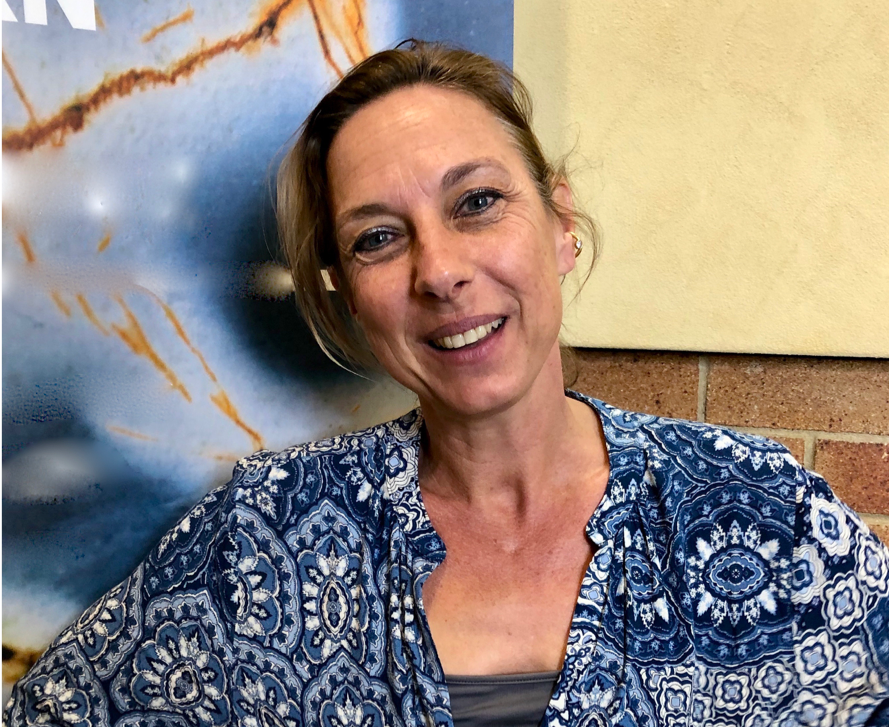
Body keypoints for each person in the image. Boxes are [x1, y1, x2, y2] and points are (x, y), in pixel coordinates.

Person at [4, 41, 888, 727]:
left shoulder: (761, 510)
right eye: (378, 238)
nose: (439, 271)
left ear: (560, 224)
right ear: (345, 296)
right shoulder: (264, 537)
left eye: (476, 202)